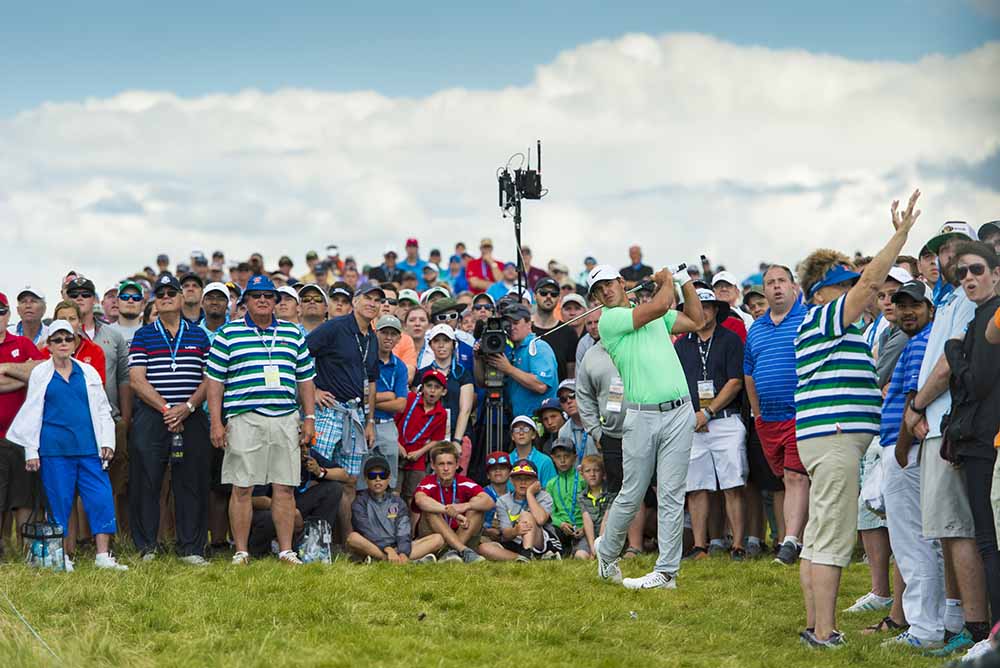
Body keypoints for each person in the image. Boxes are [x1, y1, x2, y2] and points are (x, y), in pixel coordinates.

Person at [793, 190, 920, 648]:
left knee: (818, 535)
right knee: (830, 537)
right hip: (836, 438)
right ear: (821, 291)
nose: (854, 290)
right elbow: (870, 283)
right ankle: (824, 633)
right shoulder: (826, 317)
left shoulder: (823, 322)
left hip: (827, 437)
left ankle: (815, 624)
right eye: (842, 284)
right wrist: (901, 235)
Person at [589, 262, 704, 591]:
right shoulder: (612, 320)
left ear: (622, 282)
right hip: (641, 415)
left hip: (680, 411)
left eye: (609, 284)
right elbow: (658, 306)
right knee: (632, 492)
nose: (606, 292)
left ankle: (666, 573)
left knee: (671, 493)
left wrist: (683, 282)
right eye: (599, 290)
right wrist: (666, 280)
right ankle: (608, 555)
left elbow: (696, 320)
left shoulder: (650, 313)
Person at [904, 223, 991, 655]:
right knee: (948, 530)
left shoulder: (964, 300)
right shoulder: (948, 298)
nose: (950, 255)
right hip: (939, 425)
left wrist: (917, 406)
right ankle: (962, 618)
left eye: (959, 247)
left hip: (945, 424)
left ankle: (975, 627)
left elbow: (946, 365)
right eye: (942, 249)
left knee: (958, 531)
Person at [206, 274, 317, 566]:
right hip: (244, 418)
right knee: (242, 487)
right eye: (257, 296)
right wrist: (216, 422)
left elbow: (305, 379)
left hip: (284, 417)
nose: (264, 300)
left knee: (284, 487)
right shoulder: (228, 334)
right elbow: (215, 381)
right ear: (246, 302)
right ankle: (241, 551)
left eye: (269, 296)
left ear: (277, 302)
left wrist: (309, 417)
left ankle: (285, 550)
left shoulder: (294, 333)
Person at [6, 320, 127, 571]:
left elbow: (103, 410)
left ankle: (103, 555)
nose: (63, 344)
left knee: (101, 499)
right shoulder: (41, 372)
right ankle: (61, 556)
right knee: (59, 503)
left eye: (68, 339)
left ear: (74, 343)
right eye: (57, 340)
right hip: (54, 451)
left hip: (89, 449)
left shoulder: (88, 372)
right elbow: (32, 412)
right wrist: (31, 451)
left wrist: (107, 442)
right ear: (48, 345)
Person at [875, 280, 944, 648]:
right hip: (910, 450)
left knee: (912, 544)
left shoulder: (921, 343)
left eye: (914, 305)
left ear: (930, 310)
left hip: (907, 451)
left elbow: (914, 400)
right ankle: (935, 623)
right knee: (924, 542)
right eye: (901, 305)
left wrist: (901, 448)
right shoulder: (915, 341)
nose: (906, 312)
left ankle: (924, 629)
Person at [127, 274, 213, 564]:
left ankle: (191, 547)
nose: (166, 297)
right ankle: (148, 546)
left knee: (191, 481)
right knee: (146, 481)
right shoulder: (143, 335)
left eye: (171, 293)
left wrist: (187, 407)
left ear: (181, 298)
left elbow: (209, 379)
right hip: (154, 416)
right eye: (160, 293)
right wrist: (167, 409)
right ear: (155, 300)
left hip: (191, 416)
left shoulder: (199, 335)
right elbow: (137, 380)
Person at [943, 242, 1000, 631]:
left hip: (987, 441)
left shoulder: (992, 317)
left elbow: (977, 382)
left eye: (977, 270)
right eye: (961, 273)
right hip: (980, 437)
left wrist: (954, 355)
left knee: (989, 541)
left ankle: (993, 631)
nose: (968, 278)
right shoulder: (980, 316)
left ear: (996, 274)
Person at [743, 264, 810, 566]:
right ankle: (800, 539)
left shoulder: (807, 319)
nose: (776, 287)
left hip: (800, 413)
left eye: (782, 281)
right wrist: (757, 414)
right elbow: (749, 373)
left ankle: (791, 542)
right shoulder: (756, 328)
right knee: (787, 478)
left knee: (797, 476)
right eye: (770, 283)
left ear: (794, 287)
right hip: (768, 420)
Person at [675, 288, 748, 560]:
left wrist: (709, 411)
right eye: (696, 307)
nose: (701, 311)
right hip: (693, 423)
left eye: (706, 306)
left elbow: (735, 381)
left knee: (732, 484)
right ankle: (700, 545)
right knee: (695, 486)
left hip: (725, 420)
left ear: (716, 309)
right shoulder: (682, 344)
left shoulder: (730, 339)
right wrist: (694, 414)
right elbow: (677, 384)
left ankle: (738, 545)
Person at [0, 292, 45, 554]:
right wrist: (19, 375)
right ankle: (3, 550)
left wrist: (4, 366)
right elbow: (27, 374)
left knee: (24, 497)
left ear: (8, 314)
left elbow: (38, 370)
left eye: (1, 311)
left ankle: (28, 552)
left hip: (22, 436)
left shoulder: (24, 344)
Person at [347, 455, 442, 564]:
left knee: (438, 539)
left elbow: (404, 530)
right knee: (353, 538)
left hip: (397, 546)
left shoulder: (398, 502)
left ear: (389, 478)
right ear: (366, 479)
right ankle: (401, 560)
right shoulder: (360, 502)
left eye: (382, 475)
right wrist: (387, 549)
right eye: (372, 475)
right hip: (373, 545)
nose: (378, 479)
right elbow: (366, 530)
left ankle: (389, 559)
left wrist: (403, 551)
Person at [412, 442, 492, 563]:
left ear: (457, 465)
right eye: (441, 464)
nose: (445, 468)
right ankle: (460, 550)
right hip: (434, 536)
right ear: (433, 466)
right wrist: (452, 512)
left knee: (476, 507)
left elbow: (489, 501)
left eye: (449, 463)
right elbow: (420, 500)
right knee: (430, 510)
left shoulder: (464, 482)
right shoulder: (427, 482)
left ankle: (450, 551)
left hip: (461, 533)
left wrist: (466, 505)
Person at [477, 303, 557, 420]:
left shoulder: (538, 347)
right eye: (507, 324)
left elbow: (541, 385)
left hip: (539, 421)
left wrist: (509, 369)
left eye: (516, 323)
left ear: (529, 324)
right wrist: (477, 358)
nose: (511, 327)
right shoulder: (512, 352)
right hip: (518, 420)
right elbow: (483, 382)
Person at [477, 458, 560, 562]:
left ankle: (528, 552)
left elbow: (541, 520)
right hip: (515, 542)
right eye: (518, 478)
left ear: (536, 482)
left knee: (525, 515)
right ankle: (523, 559)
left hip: (541, 542)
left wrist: (530, 494)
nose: (523, 482)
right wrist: (516, 531)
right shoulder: (503, 501)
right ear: (511, 480)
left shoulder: (544, 496)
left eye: (528, 478)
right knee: (484, 548)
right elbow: (505, 533)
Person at [417, 324, 474, 456]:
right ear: (431, 345)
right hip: (429, 437)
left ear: (453, 344)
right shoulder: (422, 374)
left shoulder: (462, 373)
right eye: (437, 341)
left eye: (446, 341)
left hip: (458, 434)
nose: (441, 345)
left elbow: (465, 410)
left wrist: (457, 441)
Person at [396, 369, 449, 502]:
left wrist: (420, 452)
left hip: (417, 459)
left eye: (437, 387)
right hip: (396, 451)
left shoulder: (441, 413)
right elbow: (392, 423)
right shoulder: (410, 399)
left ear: (443, 392)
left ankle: (411, 523)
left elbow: (437, 439)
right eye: (429, 386)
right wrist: (397, 445)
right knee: (394, 493)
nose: (432, 391)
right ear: (422, 388)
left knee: (414, 496)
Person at [373, 315, 408, 489]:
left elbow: (401, 405)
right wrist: (388, 395)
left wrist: (370, 400)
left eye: (393, 334)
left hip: (387, 424)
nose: (388, 337)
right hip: (365, 423)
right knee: (362, 478)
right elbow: (357, 396)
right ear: (375, 333)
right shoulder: (365, 360)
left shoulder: (400, 366)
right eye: (384, 332)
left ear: (399, 338)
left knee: (389, 479)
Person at [532, 277, 579, 380]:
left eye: (554, 294)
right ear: (534, 296)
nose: (549, 297)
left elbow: (571, 373)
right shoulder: (525, 328)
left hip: (557, 394)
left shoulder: (568, 333)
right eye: (544, 293)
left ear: (558, 298)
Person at [546, 438, 586, 558]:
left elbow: (591, 507)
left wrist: (585, 527)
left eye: (566, 456)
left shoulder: (583, 480)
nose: (562, 460)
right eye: (558, 457)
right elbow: (550, 511)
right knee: (550, 528)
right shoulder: (551, 484)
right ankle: (562, 551)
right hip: (562, 527)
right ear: (553, 458)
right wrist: (561, 523)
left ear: (575, 457)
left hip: (583, 527)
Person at [579, 454, 614, 560]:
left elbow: (606, 520)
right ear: (582, 474)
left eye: (596, 470)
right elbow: (587, 521)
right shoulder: (582, 496)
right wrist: (592, 547)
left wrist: (598, 547)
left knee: (605, 554)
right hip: (590, 535)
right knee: (580, 555)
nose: (592, 474)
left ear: (603, 473)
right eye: (588, 471)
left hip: (606, 535)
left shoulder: (610, 493)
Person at [556, 379, 599, 465]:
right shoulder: (563, 432)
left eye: (572, 395)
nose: (568, 401)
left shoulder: (599, 421)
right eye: (563, 399)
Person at [507, 415, 557, 487]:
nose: (521, 433)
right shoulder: (506, 460)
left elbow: (551, 490)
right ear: (512, 436)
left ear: (533, 434)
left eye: (526, 429)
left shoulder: (545, 461)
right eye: (517, 430)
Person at [480, 451, 512, 541]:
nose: (498, 471)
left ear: (510, 473)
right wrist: (485, 531)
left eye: (502, 468)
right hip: (485, 537)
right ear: (487, 475)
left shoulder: (515, 495)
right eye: (493, 469)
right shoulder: (481, 495)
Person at [108, 280, 145, 346]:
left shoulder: (152, 332)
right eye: (125, 297)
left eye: (136, 298)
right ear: (117, 301)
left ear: (143, 304)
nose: (130, 301)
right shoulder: (106, 332)